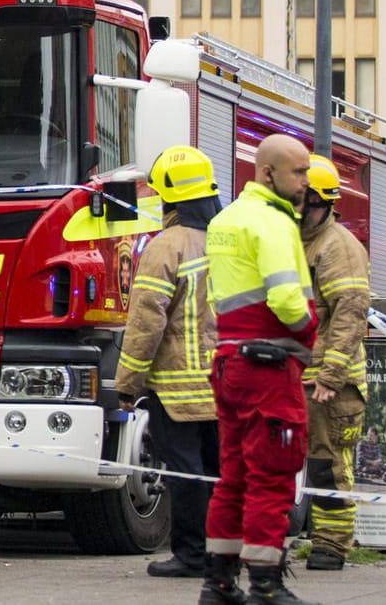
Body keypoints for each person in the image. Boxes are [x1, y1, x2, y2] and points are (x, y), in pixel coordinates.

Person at [200, 133, 318, 605]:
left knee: (234, 475)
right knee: (273, 474)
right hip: (270, 366)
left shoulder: (226, 219)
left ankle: (219, 583)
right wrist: (308, 327)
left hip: (231, 363)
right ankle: (266, 586)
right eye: (299, 172)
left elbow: (217, 297)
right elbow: (287, 298)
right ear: (266, 173)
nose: (306, 183)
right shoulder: (273, 223)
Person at [115, 145, 223, 580]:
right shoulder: (226, 241)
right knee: (219, 473)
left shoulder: (166, 247)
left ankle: (190, 555)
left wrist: (127, 382)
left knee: (185, 474)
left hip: (177, 390)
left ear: (169, 198)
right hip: (225, 383)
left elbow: (145, 321)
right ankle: (221, 553)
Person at [298, 154, 370, 572]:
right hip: (301, 374)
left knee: (328, 464)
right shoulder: (300, 240)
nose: (298, 209)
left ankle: (332, 544)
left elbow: (349, 313)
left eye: (305, 201)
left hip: (331, 383)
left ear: (323, 202)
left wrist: (330, 374)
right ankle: (316, 536)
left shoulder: (337, 246)